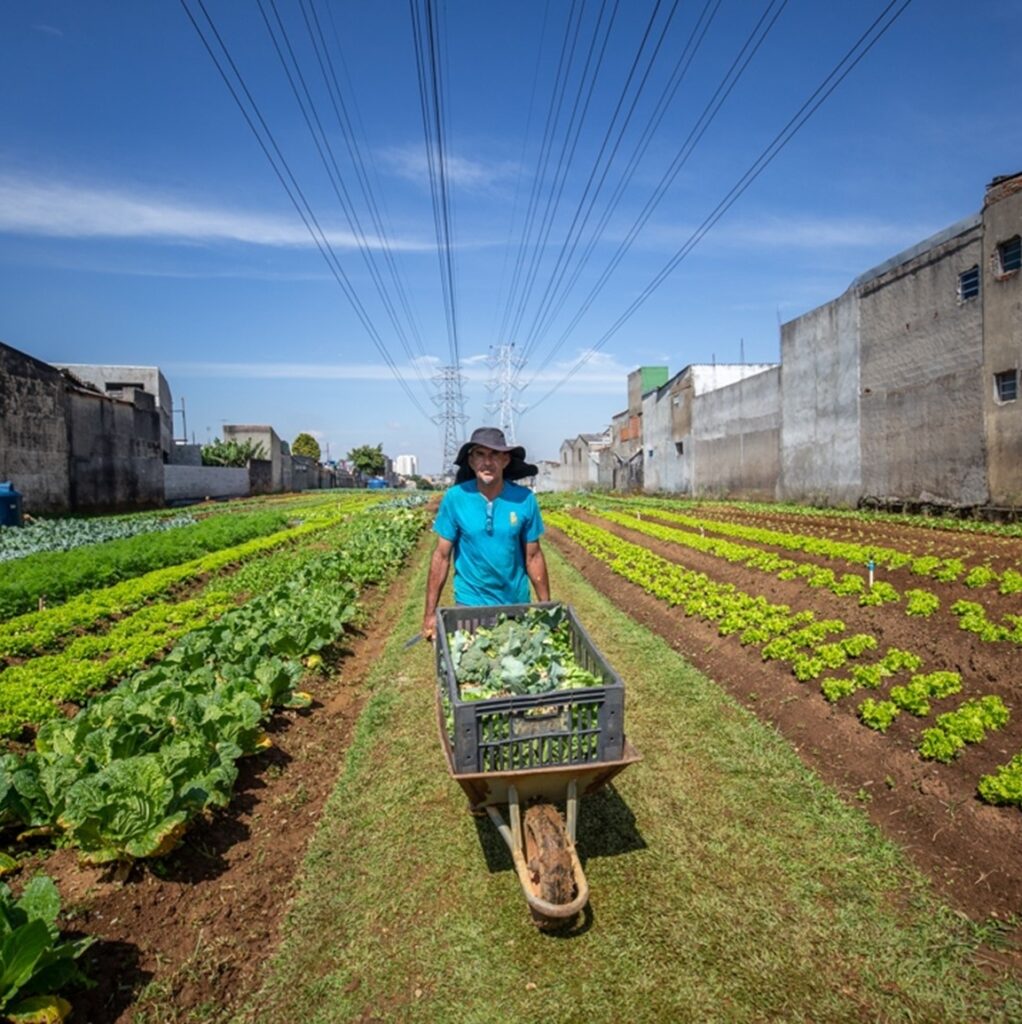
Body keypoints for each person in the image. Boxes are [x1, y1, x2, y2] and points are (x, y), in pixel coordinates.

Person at [422, 427, 550, 641]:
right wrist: (429, 615)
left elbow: (534, 556)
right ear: (471, 461)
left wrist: (546, 607)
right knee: (473, 670)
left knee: (515, 670)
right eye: (480, 454)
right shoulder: (455, 498)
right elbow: (441, 557)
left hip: (515, 604)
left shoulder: (524, 499)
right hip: (470, 604)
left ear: (506, 460)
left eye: (494, 455)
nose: (487, 462)